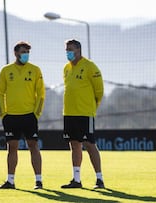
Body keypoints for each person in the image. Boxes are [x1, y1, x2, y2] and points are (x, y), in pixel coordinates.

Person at [0, 41, 45, 190]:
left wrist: (36, 113)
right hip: (11, 116)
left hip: (29, 116)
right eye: (23, 52)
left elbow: (41, 93)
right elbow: (0, 93)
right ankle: (10, 181)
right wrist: (3, 113)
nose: (26, 55)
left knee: (33, 146)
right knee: (12, 147)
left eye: (27, 52)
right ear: (16, 53)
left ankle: (38, 181)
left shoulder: (35, 70)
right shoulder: (6, 70)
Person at [60, 39, 105, 189]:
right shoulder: (66, 68)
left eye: (70, 49)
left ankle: (99, 179)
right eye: (66, 50)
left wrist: (93, 107)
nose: (68, 52)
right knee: (74, 145)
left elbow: (99, 91)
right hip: (69, 113)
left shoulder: (90, 67)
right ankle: (76, 179)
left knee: (89, 144)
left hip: (85, 113)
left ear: (78, 50)